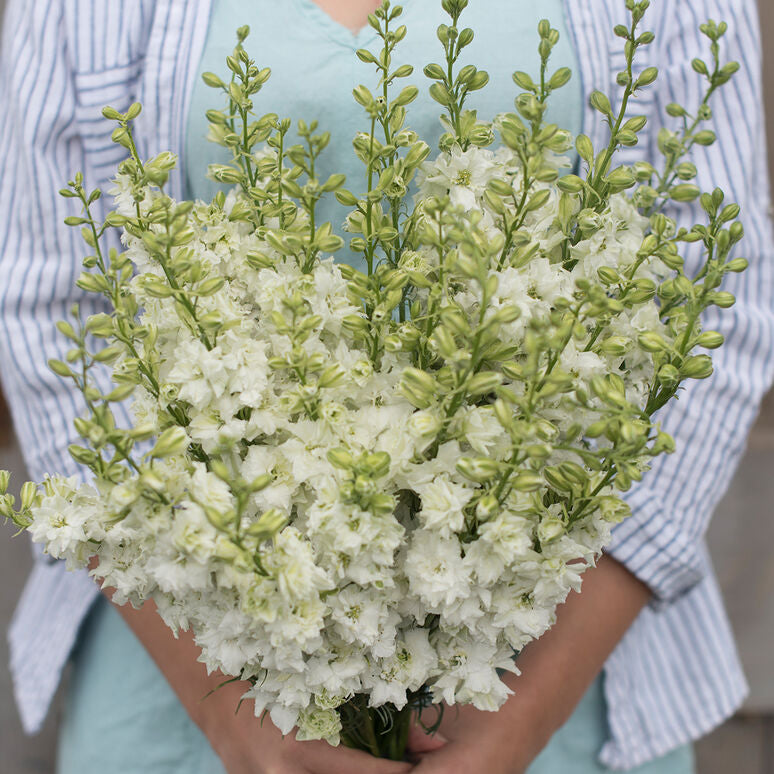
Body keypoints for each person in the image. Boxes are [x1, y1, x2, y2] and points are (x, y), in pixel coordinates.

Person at [0, 0, 771, 772]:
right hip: (199, 676)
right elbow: (49, 313)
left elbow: (717, 305)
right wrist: (244, 727)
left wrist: (522, 718)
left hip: (559, 665)